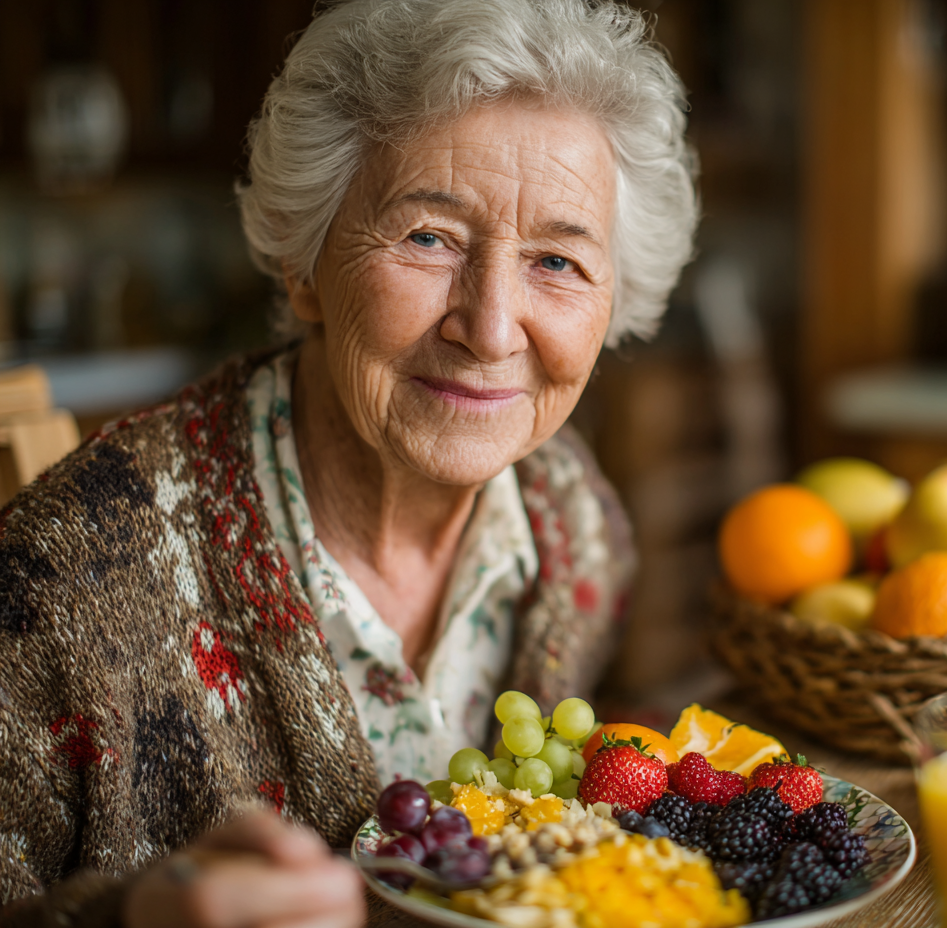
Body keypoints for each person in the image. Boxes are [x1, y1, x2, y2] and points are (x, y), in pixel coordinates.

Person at [0, 1, 698, 925]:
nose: (490, 329)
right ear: (303, 263)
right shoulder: (70, 575)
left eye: (558, 262)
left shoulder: (576, 522)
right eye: (429, 238)